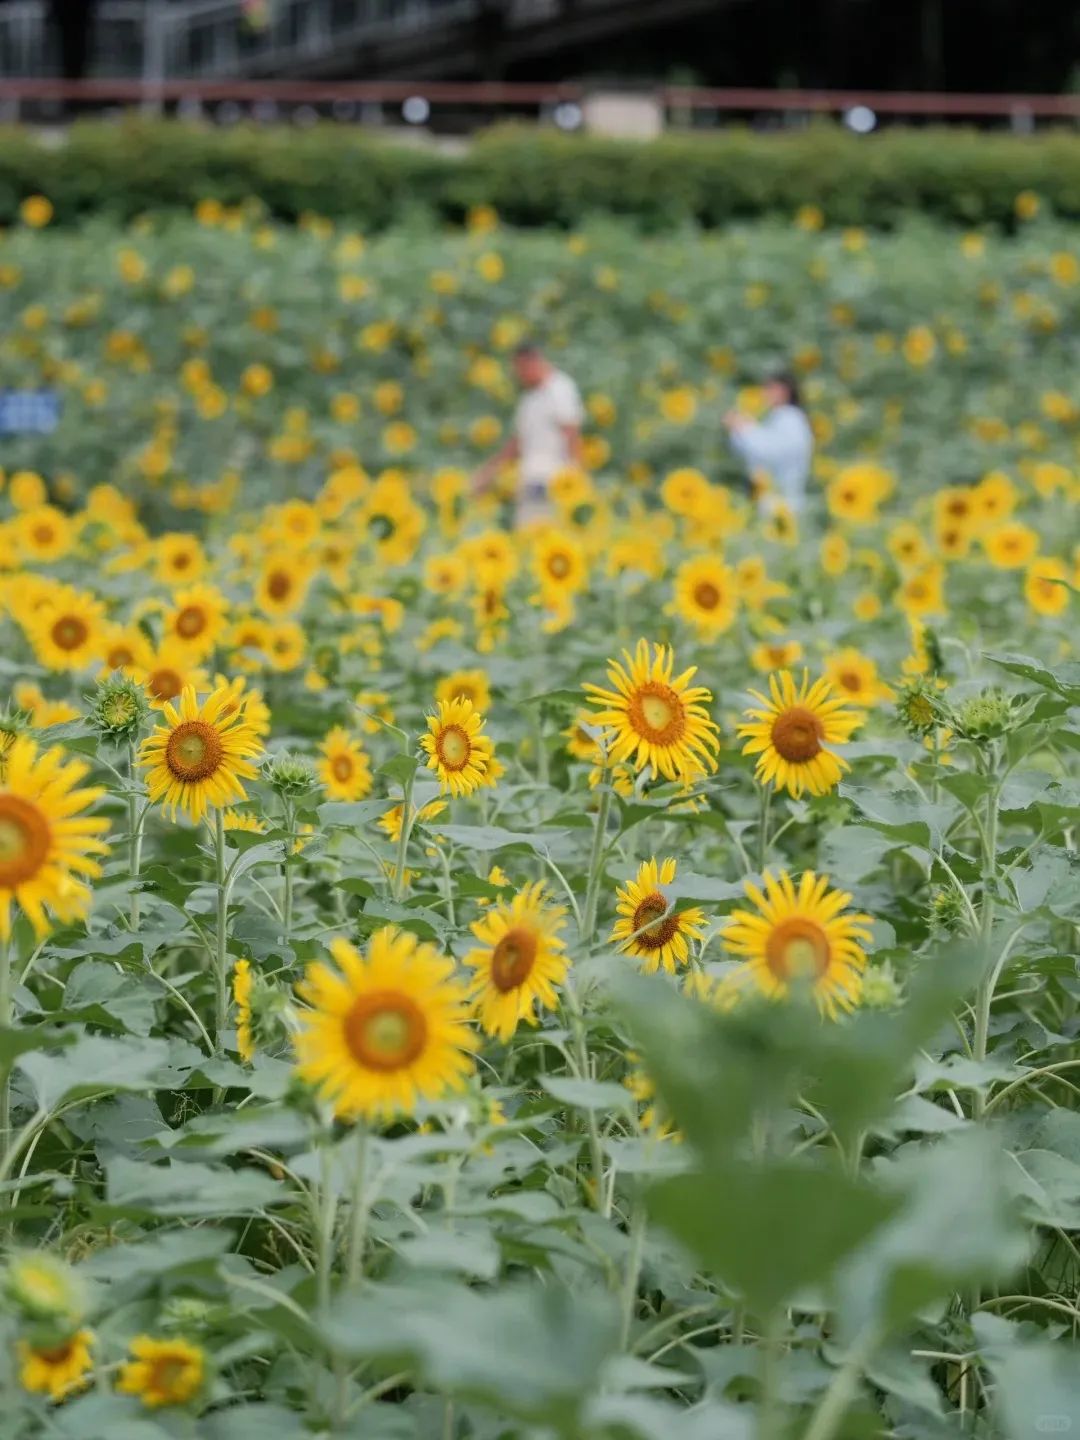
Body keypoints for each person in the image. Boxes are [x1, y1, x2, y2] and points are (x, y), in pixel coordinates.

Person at [473, 343, 584, 528]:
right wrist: (488, 473)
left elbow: (571, 433)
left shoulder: (559, 389)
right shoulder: (530, 399)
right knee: (528, 533)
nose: (519, 375)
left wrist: (577, 475)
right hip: (531, 480)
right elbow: (517, 444)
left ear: (532, 362)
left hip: (555, 481)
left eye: (520, 369)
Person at [723, 372, 814, 517]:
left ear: (784, 391)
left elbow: (770, 451)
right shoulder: (779, 417)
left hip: (783, 503)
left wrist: (745, 429)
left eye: (770, 388)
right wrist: (742, 428)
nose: (764, 393)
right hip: (773, 502)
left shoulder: (791, 418)